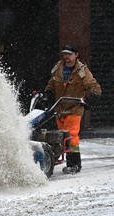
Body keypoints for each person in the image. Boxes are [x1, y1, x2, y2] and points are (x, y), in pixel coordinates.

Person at [44, 43, 102, 174]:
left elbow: (92, 84)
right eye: (65, 54)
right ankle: (52, 159)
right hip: (60, 109)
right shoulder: (58, 68)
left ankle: (74, 164)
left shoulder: (82, 70)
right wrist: (47, 92)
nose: (67, 57)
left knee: (71, 136)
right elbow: (51, 84)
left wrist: (93, 95)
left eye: (69, 54)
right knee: (61, 136)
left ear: (76, 55)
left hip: (74, 108)